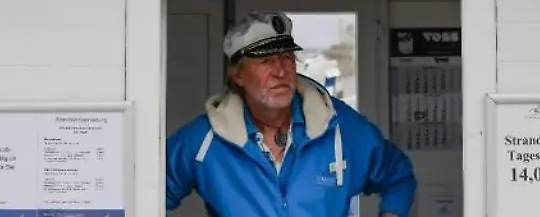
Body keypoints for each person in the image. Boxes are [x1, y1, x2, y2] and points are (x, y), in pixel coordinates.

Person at [166, 11, 417, 216]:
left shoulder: (339, 126)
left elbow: (398, 176)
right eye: (265, 61)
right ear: (238, 75)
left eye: (286, 57)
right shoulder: (204, 139)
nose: (280, 70)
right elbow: (147, 191)